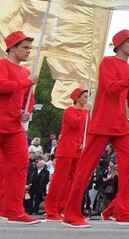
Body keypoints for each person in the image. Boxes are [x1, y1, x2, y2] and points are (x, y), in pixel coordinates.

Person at [63, 30, 129, 227]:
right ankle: (70, 213)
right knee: (85, 168)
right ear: (118, 44)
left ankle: (123, 211)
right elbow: (111, 88)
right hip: (102, 122)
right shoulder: (108, 63)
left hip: (120, 126)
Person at [0, 31, 40, 223]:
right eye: (25, 47)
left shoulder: (26, 73)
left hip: (15, 127)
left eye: (30, 48)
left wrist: (27, 112)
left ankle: (14, 210)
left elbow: (28, 100)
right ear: (12, 47)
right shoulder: (1, 65)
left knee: (20, 166)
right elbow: (3, 87)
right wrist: (27, 82)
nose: (28, 51)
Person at [45, 88, 89, 221]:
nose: (87, 99)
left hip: (78, 149)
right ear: (77, 98)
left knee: (73, 181)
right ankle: (51, 210)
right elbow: (76, 123)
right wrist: (86, 112)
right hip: (66, 149)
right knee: (59, 180)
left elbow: (87, 129)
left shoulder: (86, 114)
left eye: (87, 97)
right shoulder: (69, 111)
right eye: (85, 96)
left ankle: (65, 208)